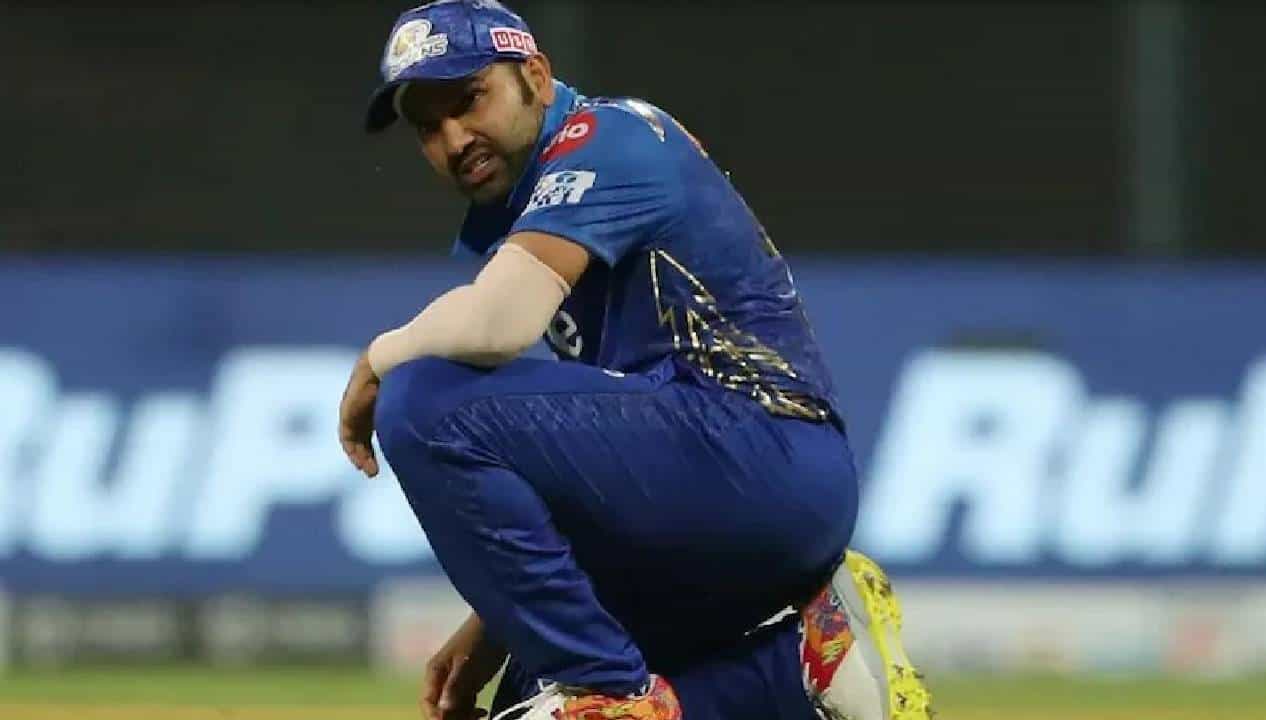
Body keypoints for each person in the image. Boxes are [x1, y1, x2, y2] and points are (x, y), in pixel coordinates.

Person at [339, 2, 933, 719]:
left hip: (761, 455)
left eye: (469, 99)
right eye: (428, 127)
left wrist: (378, 359)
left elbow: (497, 323)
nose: (454, 137)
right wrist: (497, 622)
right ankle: (806, 667)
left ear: (536, 75)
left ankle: (614, 693)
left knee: (423, 402)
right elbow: (589, 463)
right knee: (527, 696)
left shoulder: (605, 139)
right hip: (723, 485)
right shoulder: (532, 193)